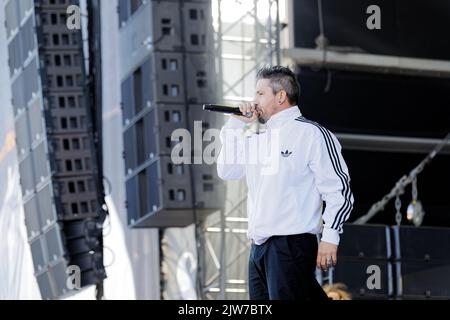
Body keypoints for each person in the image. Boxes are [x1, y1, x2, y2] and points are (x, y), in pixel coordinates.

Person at [216, 66, 354, 300]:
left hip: (291, 243)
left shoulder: (312, 134)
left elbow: (339, 190)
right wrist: (235, 125)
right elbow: (227, 170)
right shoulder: (258, 140)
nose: (254, 100)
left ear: (281, 96)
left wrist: (331, 236)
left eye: (260, 93)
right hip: (259, 248)